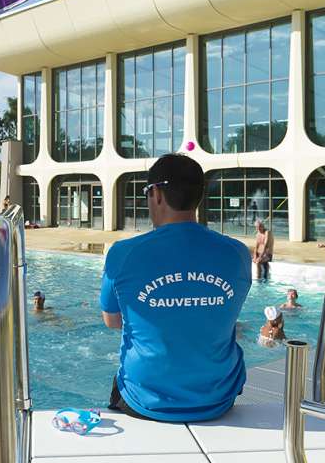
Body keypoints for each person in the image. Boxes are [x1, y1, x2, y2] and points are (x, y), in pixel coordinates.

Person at [100, 153, 252, 422]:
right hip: (219, 397)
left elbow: (112, 321)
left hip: (143, 399)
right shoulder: (238, 254)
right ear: (199, 197)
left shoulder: (123, 254)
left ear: (156, 194)